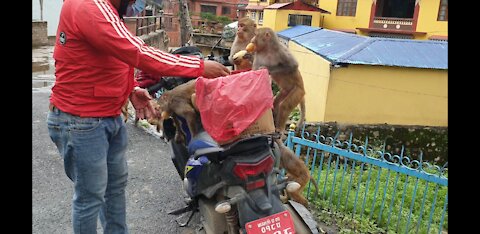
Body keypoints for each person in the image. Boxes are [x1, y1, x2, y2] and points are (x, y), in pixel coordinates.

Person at [46, 0, 230, 234]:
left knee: (114, 191)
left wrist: (131, 89)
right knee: (90, 198)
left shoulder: (106, 9)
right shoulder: (89, 6)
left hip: (107, 116)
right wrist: (198, 65)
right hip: (81, 121)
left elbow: (111, 57)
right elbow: (138, 52)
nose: (138, 5)